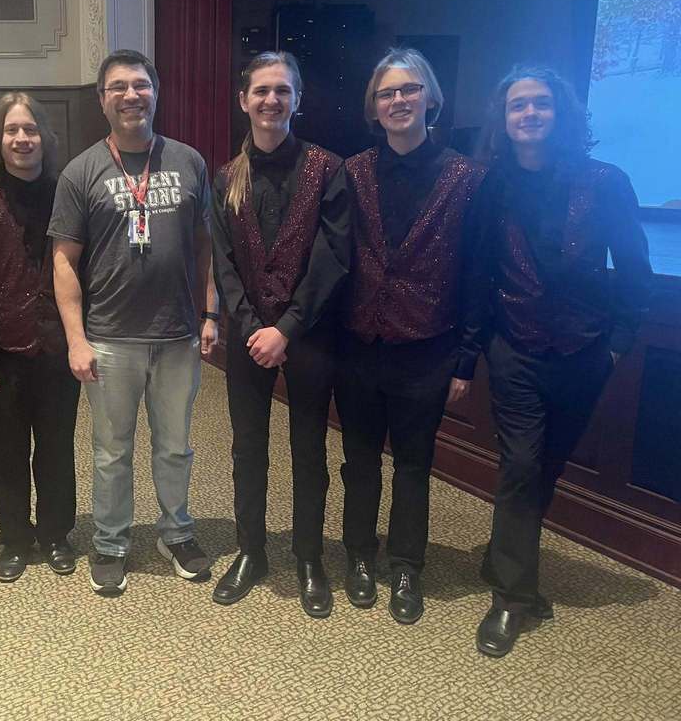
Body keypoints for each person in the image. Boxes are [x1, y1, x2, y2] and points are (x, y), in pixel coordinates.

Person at [473, 66, 652, 657]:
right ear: (504, 119)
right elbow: (477, 269)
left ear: (562, 113)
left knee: (547, 466)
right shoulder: (489, 184)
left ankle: (506, 559)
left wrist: (618, 345)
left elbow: (633, 268)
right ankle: (512, 598)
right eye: (517, 105)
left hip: (586, 351)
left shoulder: (607, 182)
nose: (529, 114)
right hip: (515, 351)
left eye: (540, 104)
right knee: (521, 464)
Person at [49, 49, 218, 596]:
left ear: (155, 92)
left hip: (176, 337)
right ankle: (112, 541)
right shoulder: (82, 171)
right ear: (102, 100)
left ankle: (177, 532)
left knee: (175, 445)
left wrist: (209, 312)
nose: (130, 95)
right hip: (110, 338)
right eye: (117, 86)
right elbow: (64, 262)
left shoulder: (189, 161)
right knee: (111, 449)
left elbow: (204, 246)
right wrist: (76, 340)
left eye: (140, 84)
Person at [334, 48, 487, 625]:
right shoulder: (351, 173)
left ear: (431, 100)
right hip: (358, 346)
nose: (398, 100)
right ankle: (358, 556)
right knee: (359, 459)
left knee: (415, 464)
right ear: (374, 107)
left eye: (409, 90)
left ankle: (406, 566)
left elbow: (477, 273)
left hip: (429, 347)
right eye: (386, 93)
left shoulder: (468, 178)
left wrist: (466, 361)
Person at [209, 51, 351, 617]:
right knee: (248, 450)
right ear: (243, 100)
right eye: (261, 91)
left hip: (310, 335)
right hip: (248, 336)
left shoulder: (328, 169)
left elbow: (333, 257)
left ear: (298, 100)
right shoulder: (226, 177)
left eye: (283, 91)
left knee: (309, 450)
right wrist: (251, 327)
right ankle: (251, 551)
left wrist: (285, 329)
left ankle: (308, 556)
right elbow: (223, 262)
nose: (272, 100)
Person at [0, 93, 80, 583]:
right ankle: (13, 536)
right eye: (11, 130)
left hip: (56, 348)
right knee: (7, 451)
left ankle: (55, 533)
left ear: (44, 137)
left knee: (55, 448)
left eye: (29, 129)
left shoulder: (66, 194)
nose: (21, 138)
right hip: (1, 354)